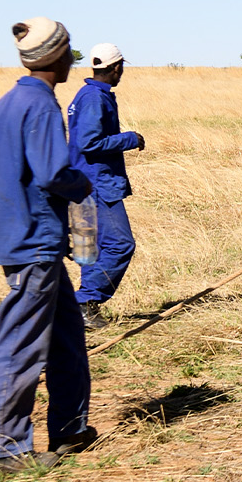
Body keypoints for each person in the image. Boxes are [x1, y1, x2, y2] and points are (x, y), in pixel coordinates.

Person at [0, 17, 97, 473]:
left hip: (23, 234)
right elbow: (52, 173)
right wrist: (81, 183)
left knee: (67, 336)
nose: (72, 57)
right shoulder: (42, 106)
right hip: (35, 243)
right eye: (68, 50)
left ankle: (70, 427)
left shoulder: (5, 103)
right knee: (23, 345)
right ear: (53, 55)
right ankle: (6, 449)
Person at [67, 42, 146, 328]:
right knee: (121, 244)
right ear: (115, 67)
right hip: (97, 184)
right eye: (121, 67)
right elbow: (89, 143)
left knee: (88, 249)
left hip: (78, 182)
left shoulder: (85, 94)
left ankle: (82, 310)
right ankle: (86, 301)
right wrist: (129, 139)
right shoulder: (95, 98)